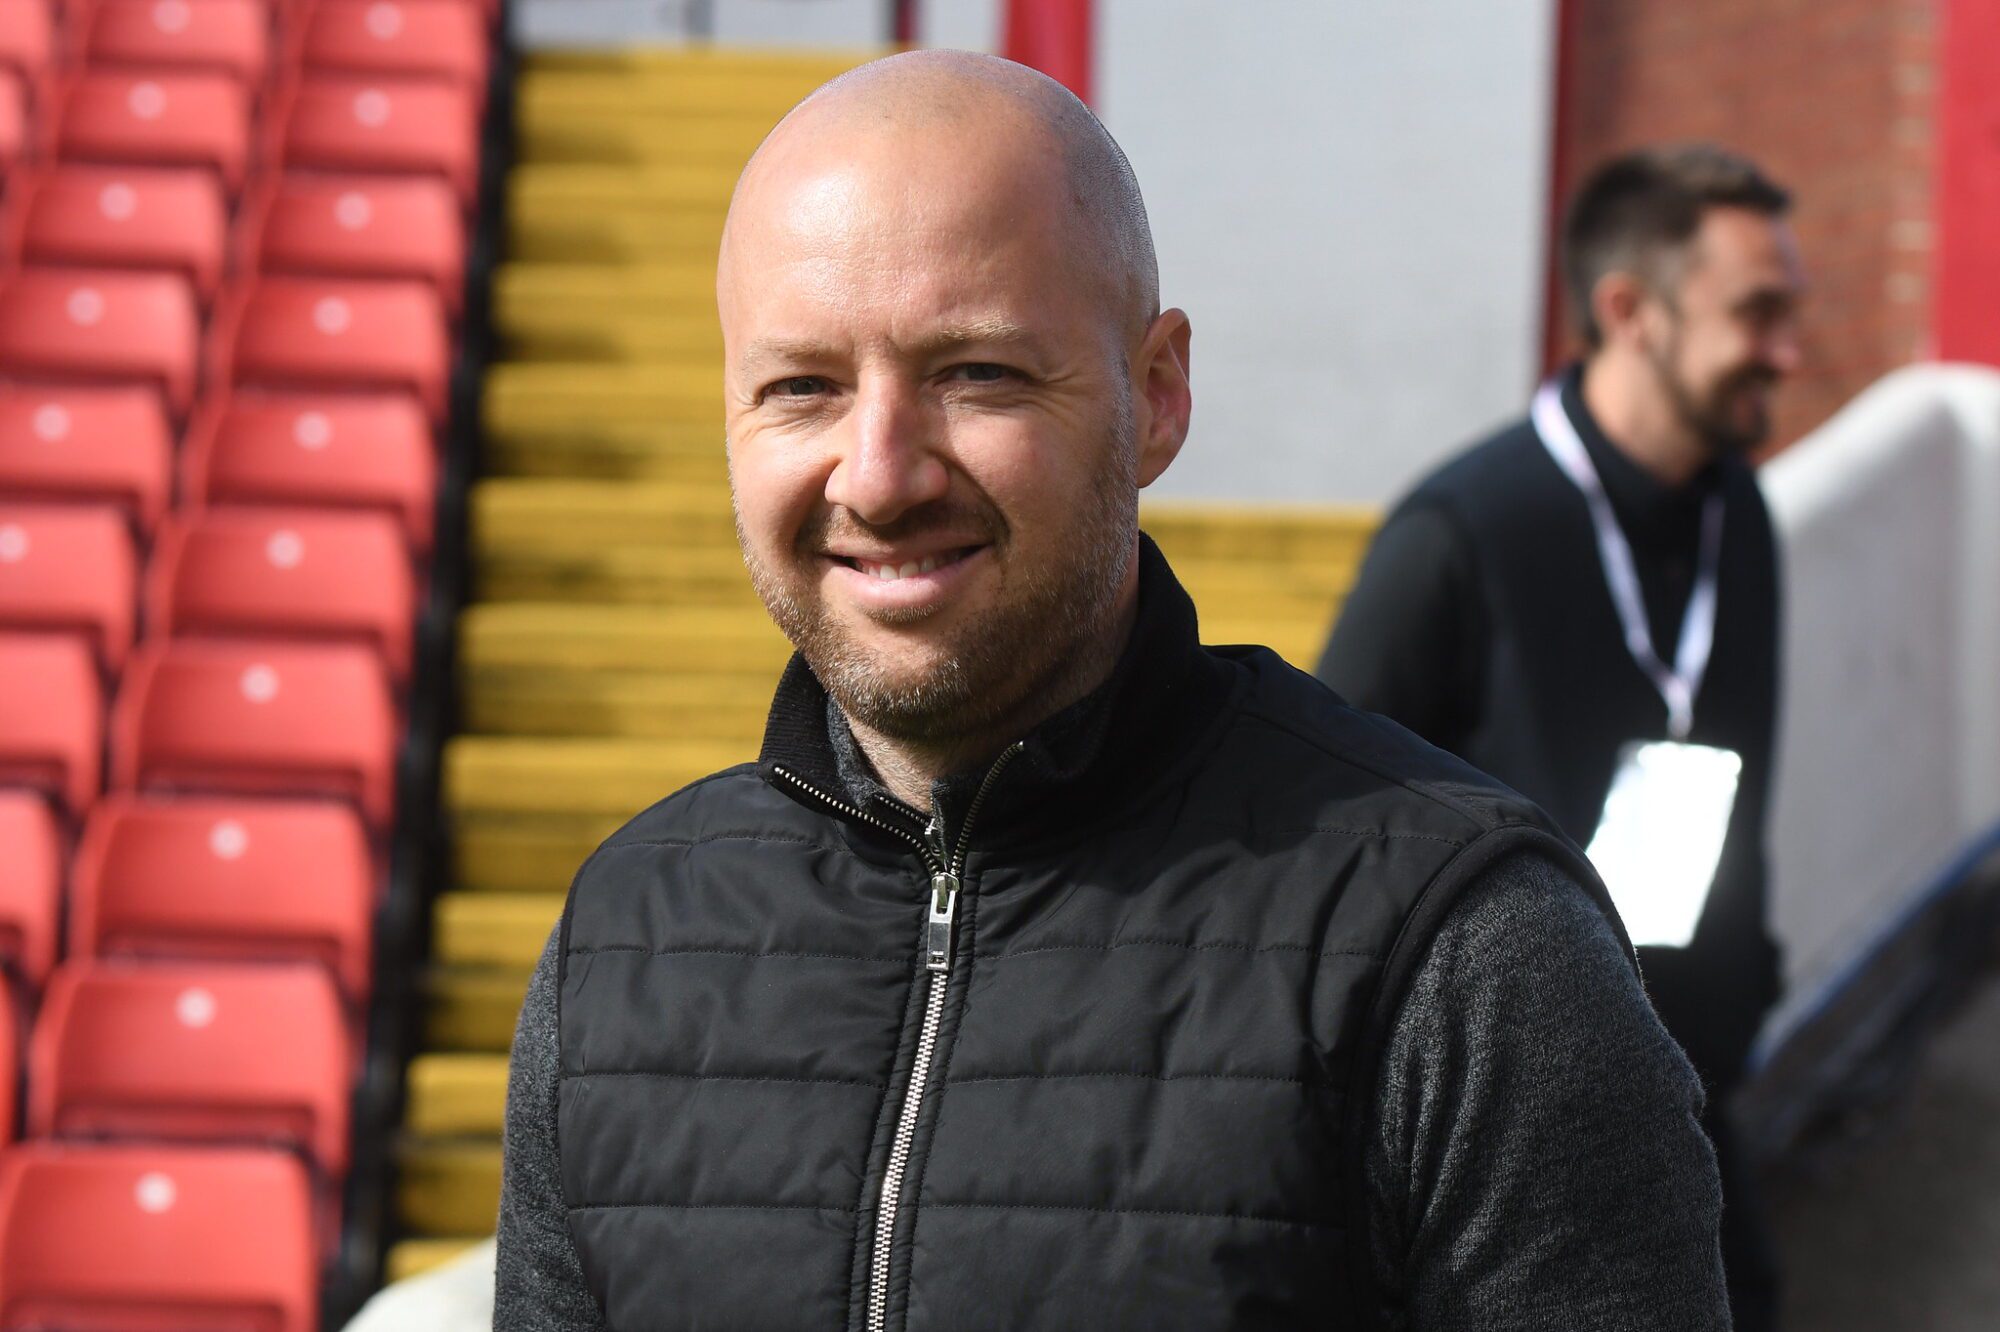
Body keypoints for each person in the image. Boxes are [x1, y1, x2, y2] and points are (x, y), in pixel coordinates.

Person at [496, 53, 1730, 1331]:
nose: (877, 475)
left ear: (1156, 395)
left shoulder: (1461, 950)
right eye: (801, 387)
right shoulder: (619, 943)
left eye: (975, 373)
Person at [1318, 144, 1805, 1331]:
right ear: (1628, 311)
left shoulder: (1737, 515)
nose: (1787, 353)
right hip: (1508, 1148)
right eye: (1756, 313)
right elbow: (1326, 839)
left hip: (1695, 1095)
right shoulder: (1459, 532)